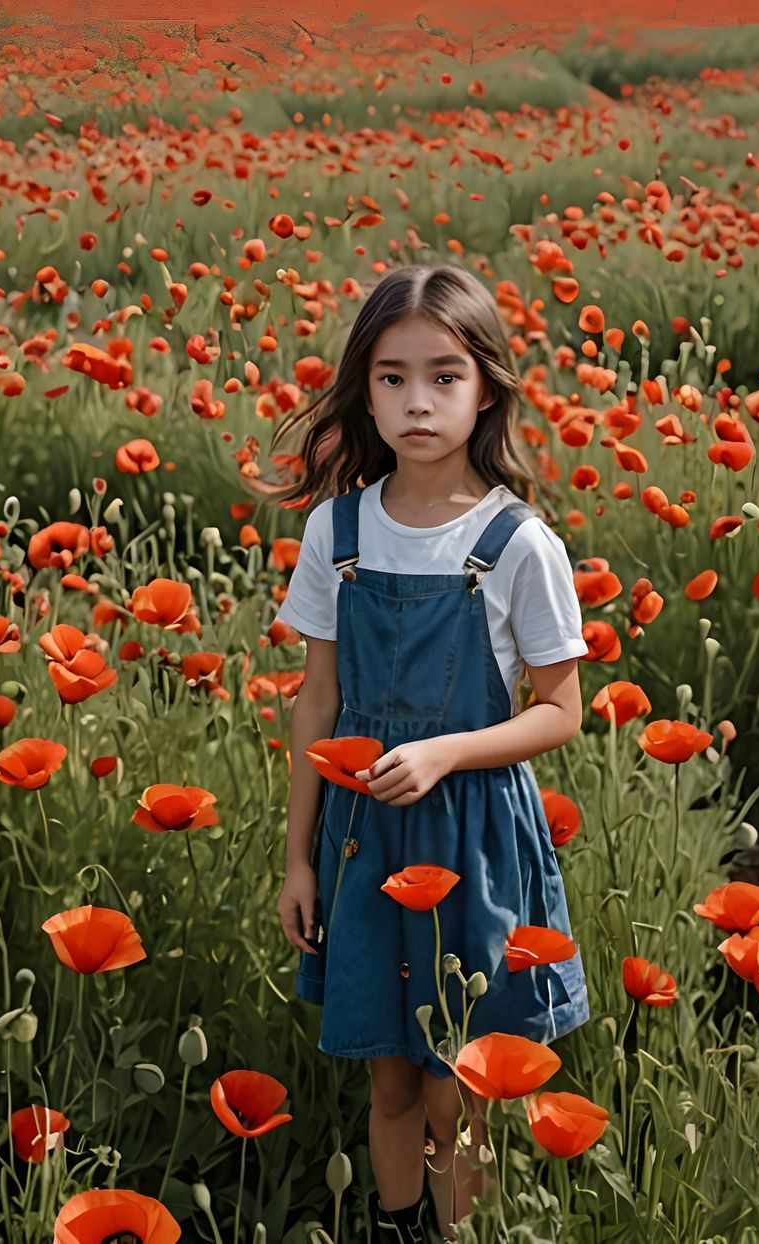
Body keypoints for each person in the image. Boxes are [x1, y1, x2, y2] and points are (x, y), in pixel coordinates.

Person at [255, 264, 592, 1242]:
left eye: (443, 376)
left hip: (474, 833)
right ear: (363, 388)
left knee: (458, 1081)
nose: (417, 401)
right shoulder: (339, 529)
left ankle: (461, 1230)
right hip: (361, 833)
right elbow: (316, 697)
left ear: (485, 386)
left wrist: (448, 752)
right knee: (391, 1074)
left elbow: (560, 709)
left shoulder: (515, 540)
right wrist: (295, 855)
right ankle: (394, 1225)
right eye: (392, 377)